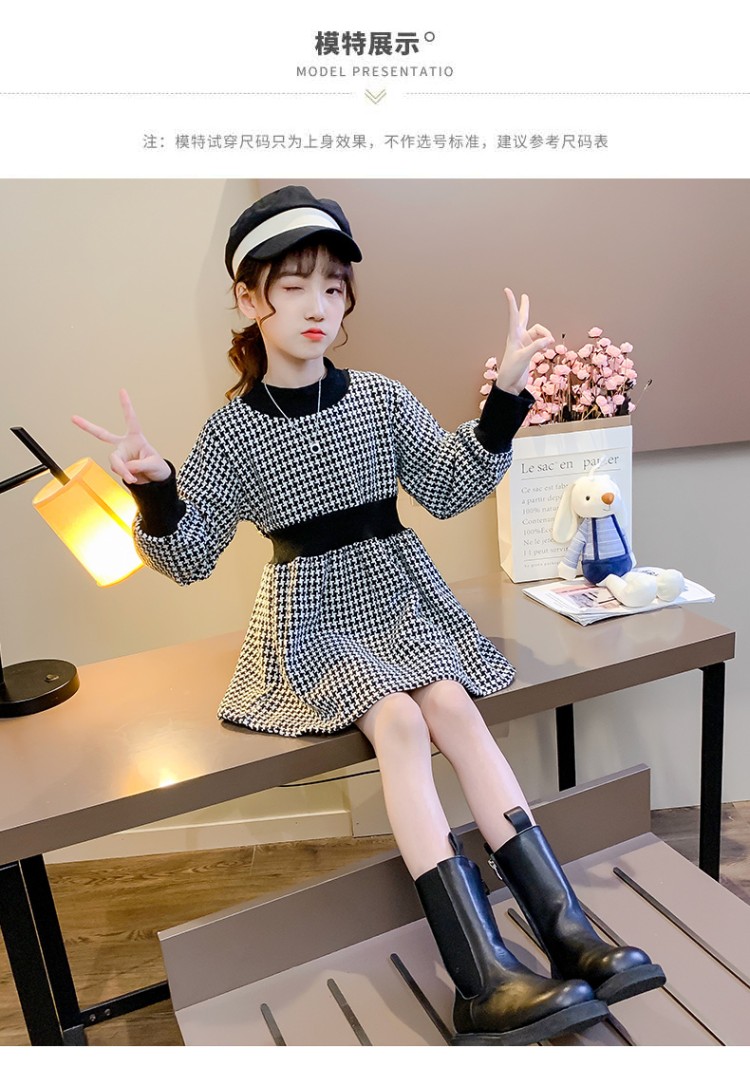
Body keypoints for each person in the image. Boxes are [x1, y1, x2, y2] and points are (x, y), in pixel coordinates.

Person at [73, 185, 664, 1045]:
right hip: (311, 619)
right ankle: (480, 975)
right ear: (248, 297)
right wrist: (155, 491)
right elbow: (189, 555)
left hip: (397, 594)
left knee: (453, 705)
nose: (319, 306)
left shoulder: (380, 398)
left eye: (334, 286)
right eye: (294, 285)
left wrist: (506, 395)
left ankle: (567, 929)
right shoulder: (231, 433)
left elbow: (450, 484)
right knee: (398, 719)